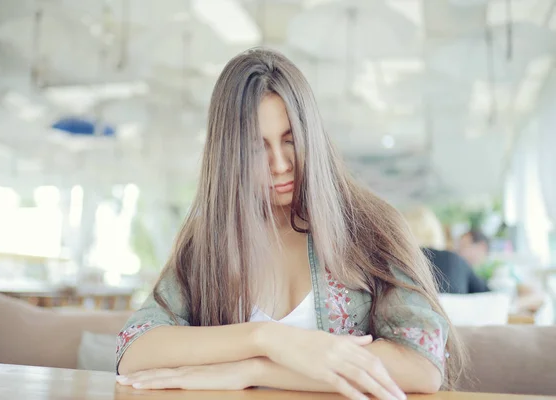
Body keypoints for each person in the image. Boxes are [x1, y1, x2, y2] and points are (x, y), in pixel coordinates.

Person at [115, 48, 464, 400]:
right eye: (255, 148)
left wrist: (256, 369)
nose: (279, 164)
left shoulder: (372, 228)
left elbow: (422, 364)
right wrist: (266, 338)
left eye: (290, 140)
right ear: (228, 155)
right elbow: (134, 349)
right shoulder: (207, 242)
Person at [402, 207, 489, 294]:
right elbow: (489, 294)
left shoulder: (399, 260)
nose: (458, 249)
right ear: (435, 231)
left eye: (463, 245)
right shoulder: (453, 260)